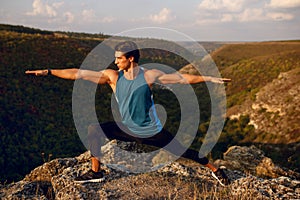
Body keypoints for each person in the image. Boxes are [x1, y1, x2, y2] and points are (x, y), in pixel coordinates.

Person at [26, 41, 231, 186]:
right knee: (93, 130)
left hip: (152, 132)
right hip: (127, 129)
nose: (115, 62)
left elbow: (179, 79)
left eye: (119, 58)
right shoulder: (112, 77)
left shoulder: (149, 76)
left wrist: (209, 79)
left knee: (185, 152)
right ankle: (96, 172)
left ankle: (215, 169)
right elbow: (78, 73)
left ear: (130, 58)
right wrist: (49, 72)